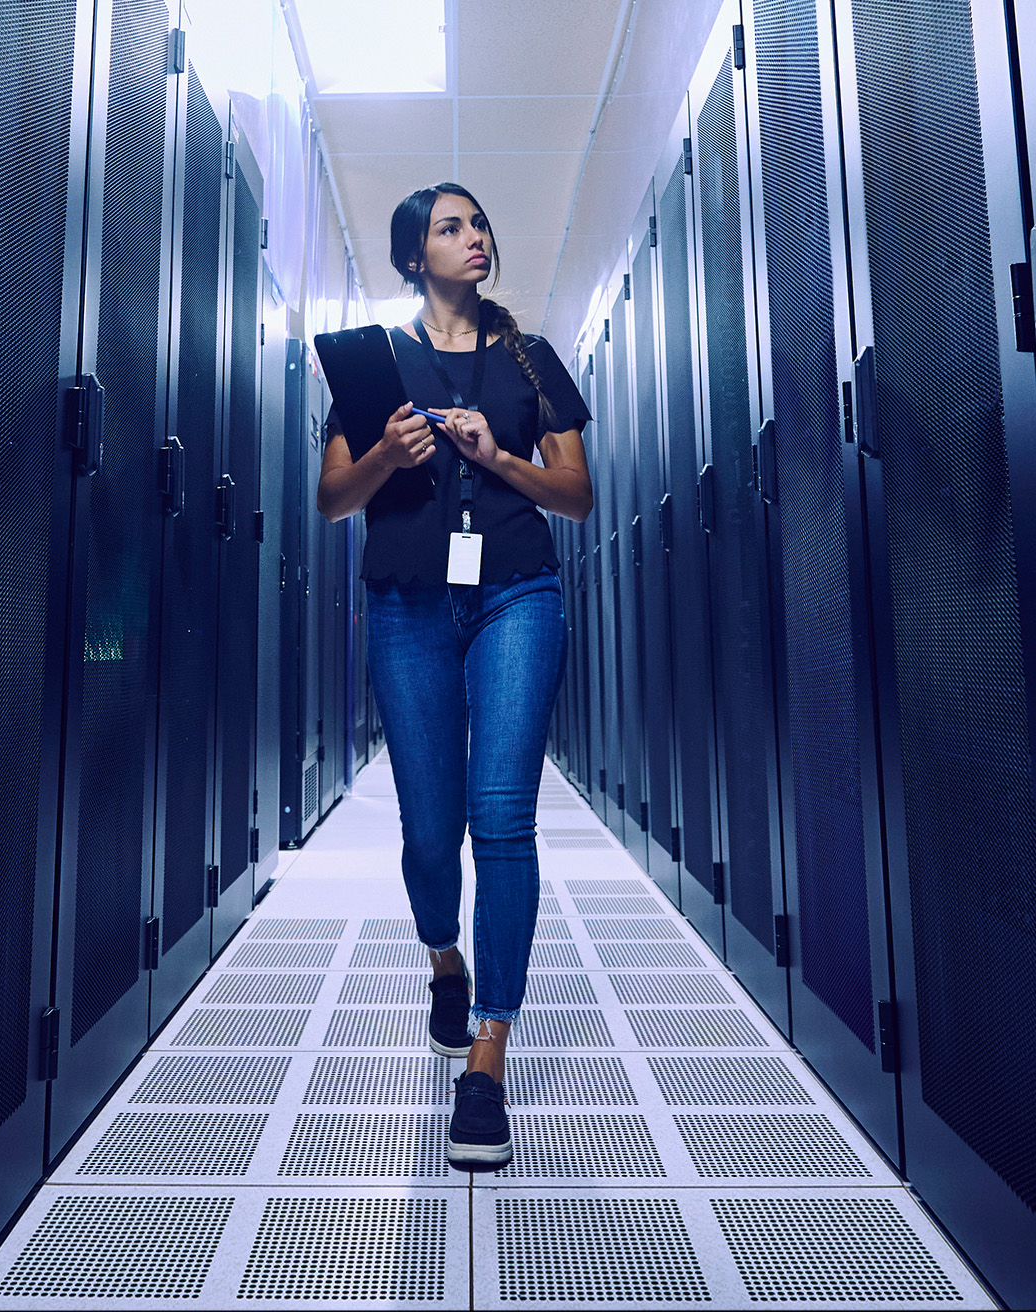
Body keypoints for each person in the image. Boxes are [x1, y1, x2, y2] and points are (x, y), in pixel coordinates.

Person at [314, 183, 594, 1170]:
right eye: (449, 227)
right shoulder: (370, 360)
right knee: (428, 829)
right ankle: (444, 956)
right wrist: (386, 456)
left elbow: (576, 495)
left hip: (515, 593)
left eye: (478, 222)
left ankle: (487, 1058)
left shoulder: (529, 360)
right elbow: (329, 499)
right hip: (406, 604)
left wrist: (500, 454)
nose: (473, 237)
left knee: (500, 820)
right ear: (410, 257)